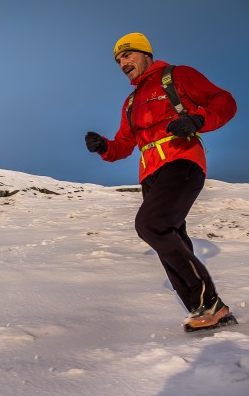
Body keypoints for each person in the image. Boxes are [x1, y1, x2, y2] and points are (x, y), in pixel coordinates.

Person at [85, 32, 237, 331]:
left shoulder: (176, 76)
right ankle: (202, 311)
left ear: (145, 54)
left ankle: (210, 303)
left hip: (182, 159)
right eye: (118, 60)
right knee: (171, 236)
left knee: (151, 225)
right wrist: (104, 146)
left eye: (127, 55)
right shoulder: (131, 102)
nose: (122, 63)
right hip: (150, 173)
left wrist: (197, 120)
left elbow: (224, 101)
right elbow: (123, 145)